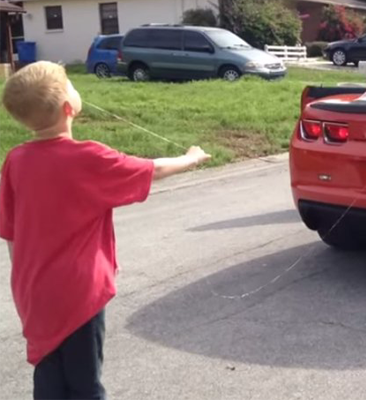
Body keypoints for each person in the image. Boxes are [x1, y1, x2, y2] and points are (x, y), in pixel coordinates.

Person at [0, 61, 211, 399]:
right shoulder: (88, 157)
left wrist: (23, 287)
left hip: (34, 292)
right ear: (69, 108)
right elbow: (152, 169)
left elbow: (10, 232)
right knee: (86, 383)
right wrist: (191, 158)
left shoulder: (15, 160)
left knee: (49, 376)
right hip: (80, 292)